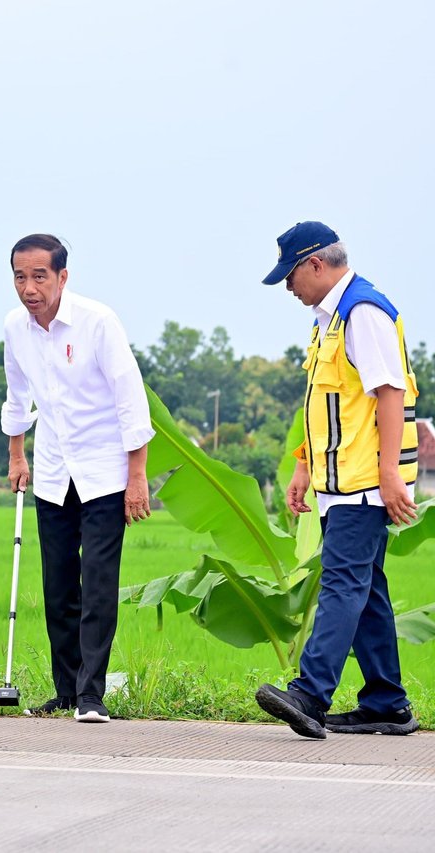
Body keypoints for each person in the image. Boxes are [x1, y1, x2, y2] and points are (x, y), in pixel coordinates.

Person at [255, 221, 419, 738]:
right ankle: (386, 704)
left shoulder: (361, 312)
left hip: (366, 481)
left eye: (291, 275)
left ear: (316, 265)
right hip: (337, 480)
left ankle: (310, 693)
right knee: (366, 591)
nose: (288, 287)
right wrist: (304, 465)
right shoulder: (327, 320)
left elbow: (389, 395)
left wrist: (390, 473)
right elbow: (328, 404)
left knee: (344, 585)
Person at [1, 233, 154, 723]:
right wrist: (16, 456)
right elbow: (16, 395)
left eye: (39, 276)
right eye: (21, 277)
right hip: (50, 471)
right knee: (58, 586)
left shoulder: (97, 322)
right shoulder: (15, 327)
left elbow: (131, 398)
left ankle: (92, 695)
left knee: (99, 585)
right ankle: (65, 691)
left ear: (63, 277)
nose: (29, 287)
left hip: (105, 473)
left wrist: (137, 475)